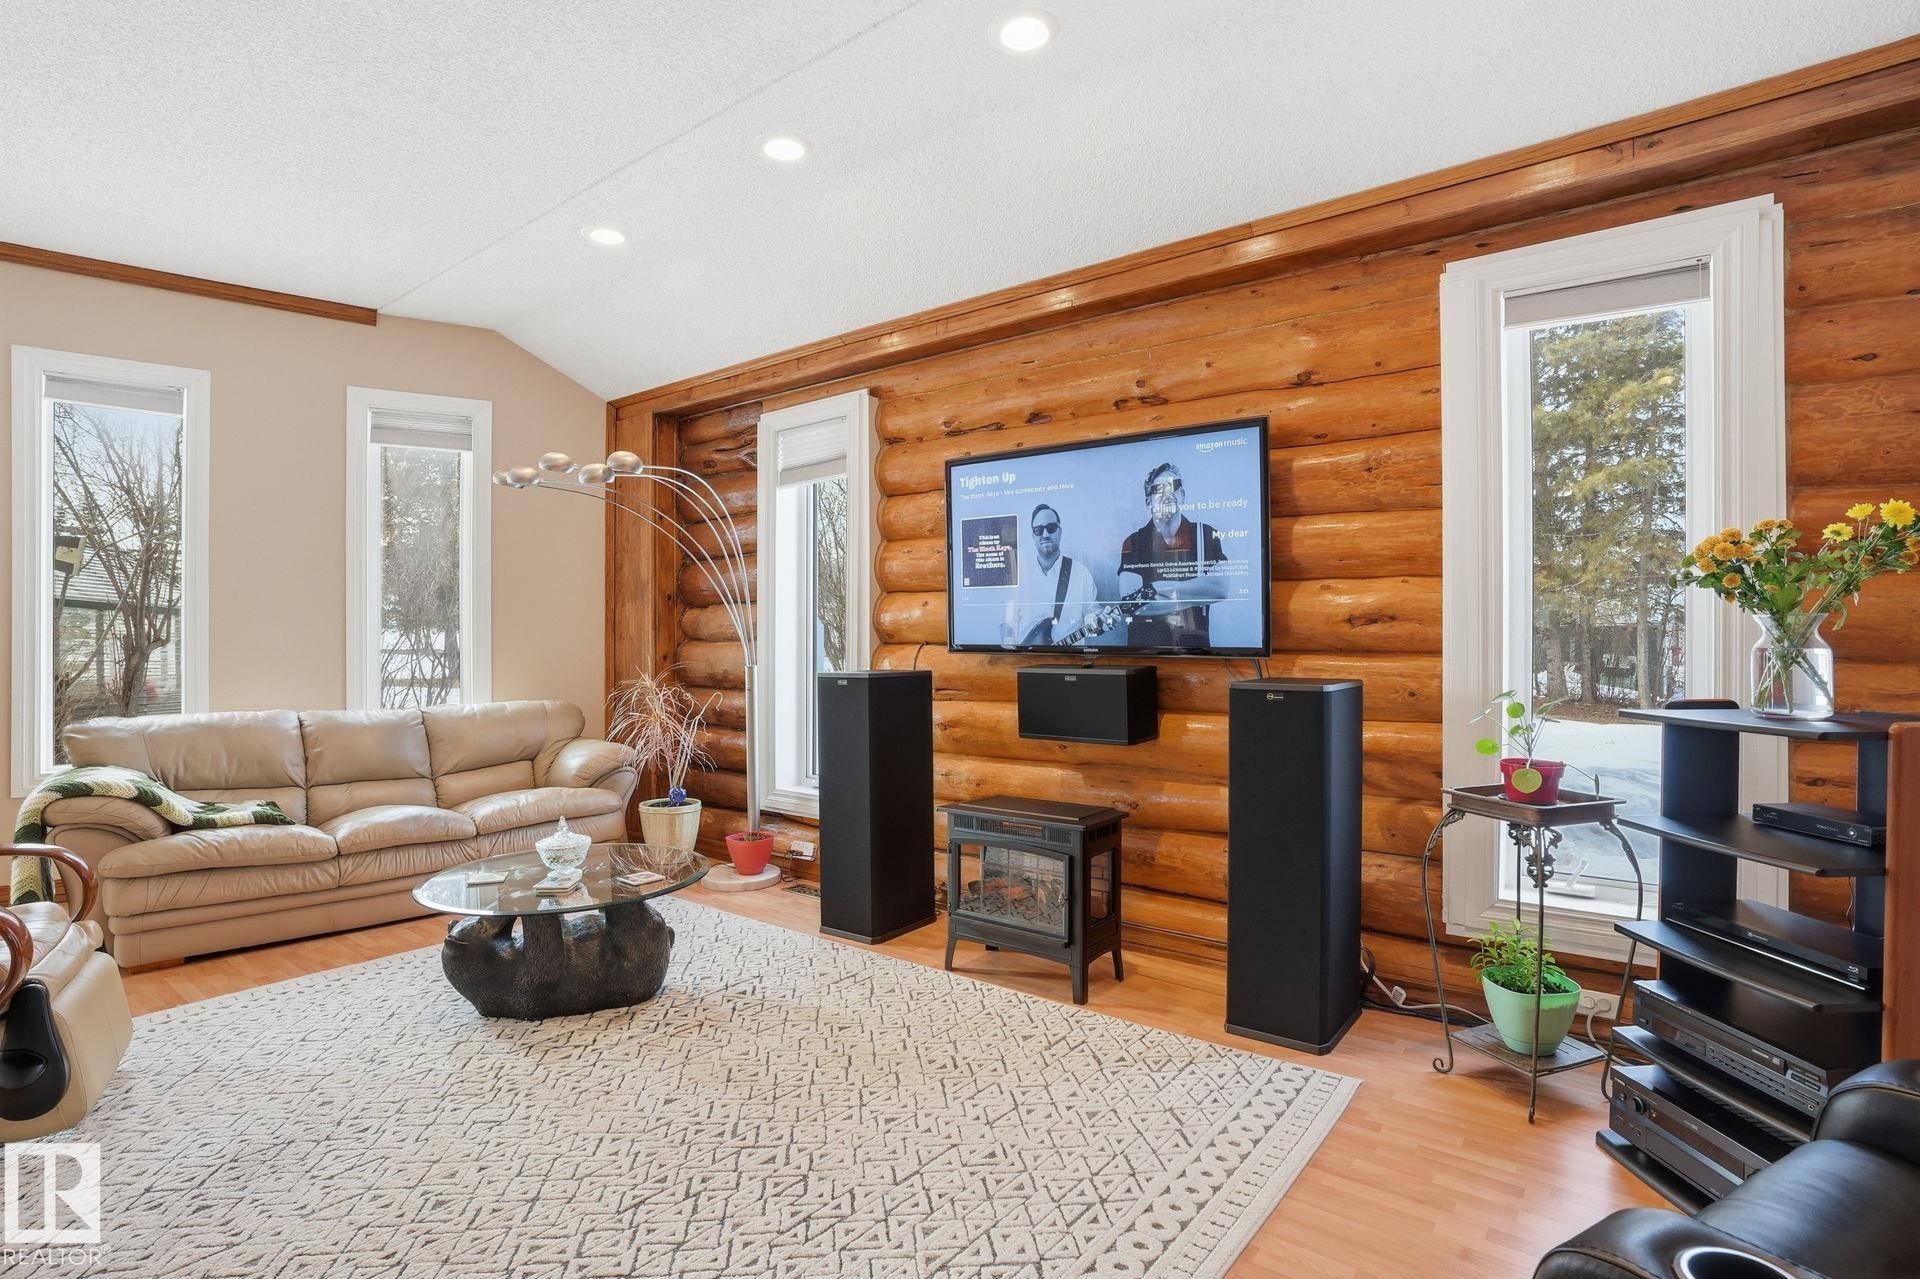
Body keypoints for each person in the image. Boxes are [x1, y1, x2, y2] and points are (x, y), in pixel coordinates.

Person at [1115, 462, 1227, 648]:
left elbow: (1220, 589)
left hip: (1195, 652)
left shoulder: (1206, 534)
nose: (1168, 494)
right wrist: (1198, 592)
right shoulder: (1133, 542)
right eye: (1159, 489)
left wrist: (1160, 588)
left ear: (1182, 495)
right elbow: (1134, 604)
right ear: (1149, 502)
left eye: (1174, 487)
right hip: (1142, 652)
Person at [1001, 503, 1100, 647]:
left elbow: (1092, 613)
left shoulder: (1081, 573)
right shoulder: (1019, 577)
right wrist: (1008, 644)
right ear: (1033, 536)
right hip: (1029, 662)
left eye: (1051, 528)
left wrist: (1100, 621)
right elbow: (1008, 624)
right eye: (1038, 530)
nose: (1045, 534)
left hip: (1073, 663)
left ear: (1059, 531)